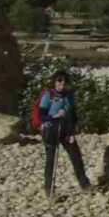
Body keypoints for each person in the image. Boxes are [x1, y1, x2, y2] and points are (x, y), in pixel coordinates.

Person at [31, 70, 92, 200]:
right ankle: (49, 190)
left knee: (76, 156)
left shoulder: (69, 96)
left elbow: (74, 116)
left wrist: (72, 132)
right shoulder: (49, 95)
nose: (61, 83)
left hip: (66, 130)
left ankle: (85, 185)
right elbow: (42, 115)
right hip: (51, 130)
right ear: (54, 82)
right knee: (51, 160)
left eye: (64, 80)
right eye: (59, 80)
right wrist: (55, 116)